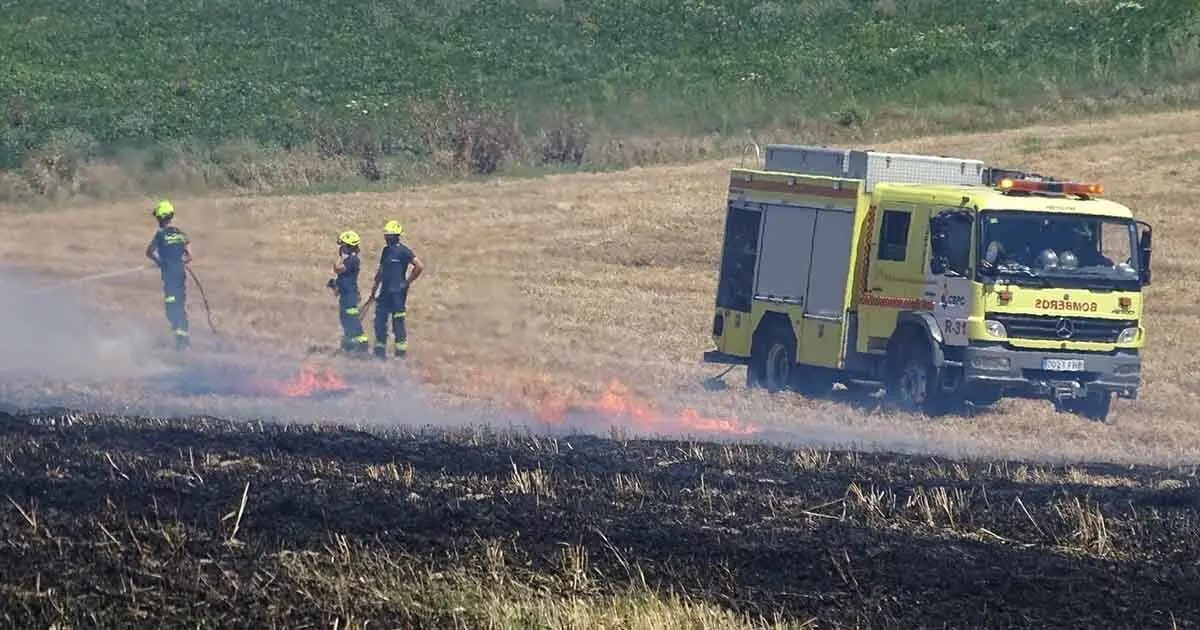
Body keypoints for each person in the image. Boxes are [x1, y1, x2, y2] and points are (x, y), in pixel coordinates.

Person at [369, 220, 424, 359]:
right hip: (384, 292)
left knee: (398, 323)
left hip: (397, 294)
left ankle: (400, 354)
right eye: (386, 235)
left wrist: (407, 282)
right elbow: (381, 271)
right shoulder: (386, 251)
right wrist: (374, 290)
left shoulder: (404, 251)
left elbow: (419, 266)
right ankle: (379, 352)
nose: (386, 238)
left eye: (389, 236)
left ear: (396, 236)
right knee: (380, 322)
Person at [143, 200, 192, 350]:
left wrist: (160, 262)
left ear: (160, 218)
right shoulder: (181, 234)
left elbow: (149, 252)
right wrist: (179, 262)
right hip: (180, 274)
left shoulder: (160, 235)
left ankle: (181, 341)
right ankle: (183, 337)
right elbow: (189, 256)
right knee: (180, 305)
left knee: (171, 307)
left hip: (170, 276)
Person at [328, 230, 370, 355]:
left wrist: (339, 256)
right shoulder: (351, 259)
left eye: (343, 245)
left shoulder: (352, 260)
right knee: (346, 321)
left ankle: (361, 347)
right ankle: (350, 346)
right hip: (346, 295)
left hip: (349, 297)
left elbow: (337, 269)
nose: (341, 247)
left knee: (352, 322)